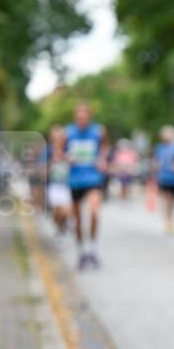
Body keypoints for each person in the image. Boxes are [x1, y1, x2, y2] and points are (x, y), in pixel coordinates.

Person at [66, 103, 108, 269]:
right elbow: (58, 151)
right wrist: (67, 157)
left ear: (90, 117)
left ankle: (92, 249)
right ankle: (81, 252)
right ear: (75, 117)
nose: (82, 120)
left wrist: (102, 159)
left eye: (85, 117)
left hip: (93, 177)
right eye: (79, 117)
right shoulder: (68, 132)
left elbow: (104, 148)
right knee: (77, 220)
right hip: (75, 179)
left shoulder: (99, 131)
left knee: (94, 211)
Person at [153, 125, 174, 235]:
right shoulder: (159, 148)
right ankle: (168, 221)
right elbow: (156, 161)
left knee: (173, 201)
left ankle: (170, 219)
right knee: (167, 199)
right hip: (164, 178)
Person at [45, 125, 72, 236]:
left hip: (67, 184)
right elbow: (42, 169)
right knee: (56, 210)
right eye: (56, 138)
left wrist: (66, 159)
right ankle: (58, 226)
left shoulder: (68, 150)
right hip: (53, 185)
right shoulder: (48, 152)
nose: (58, 140)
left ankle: (64, 223)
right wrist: (52, 162)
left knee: (66, 210)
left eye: (60, 137)